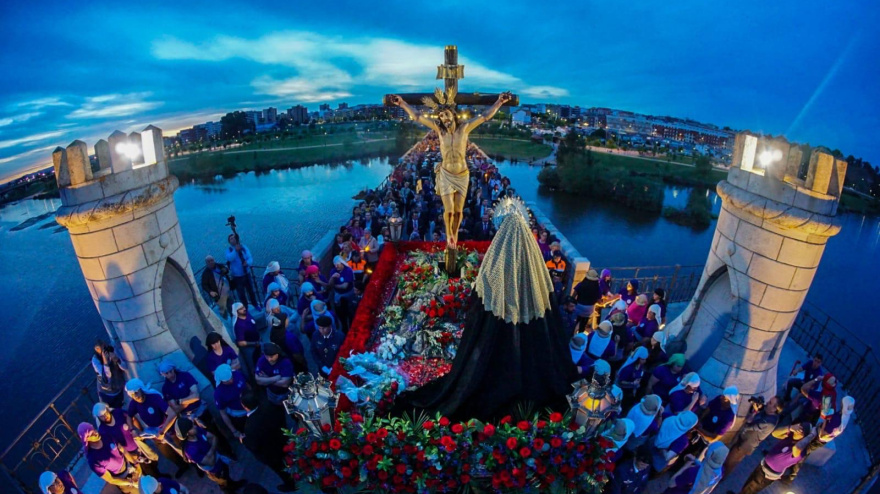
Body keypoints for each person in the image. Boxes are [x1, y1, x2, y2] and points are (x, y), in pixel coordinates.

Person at [158, 360, 233, 458]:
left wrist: (180, 401)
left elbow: (196, 395)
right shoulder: (166, 388)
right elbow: (175, 408)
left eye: (171, 371)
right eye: (166, 373)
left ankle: (228, 452)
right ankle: (213, 455)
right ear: (163, 374)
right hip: (188, 417)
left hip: (200, 410)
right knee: (198, 438)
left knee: (214, 431)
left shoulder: (185, 376)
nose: (170, 374)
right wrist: (189, 399)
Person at [124, 378, 190, 478]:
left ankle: (195, 465)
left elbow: (172, 414)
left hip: (168, 428)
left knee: (182, 448)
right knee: (168, 453)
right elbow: (129, 416)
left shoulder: (154, 397)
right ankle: (182, 466)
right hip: (154, 432)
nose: (136, 396)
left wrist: (163, 431)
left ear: (141, 389)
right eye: (133, 395)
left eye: (137, 393)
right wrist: (132, 429)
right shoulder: (134, 403)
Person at [783, 395, 855, 481]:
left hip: (817, 438)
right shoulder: (844, 417)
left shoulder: (837, 420)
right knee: (802, 452)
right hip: (821, 439)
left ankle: (791, 475)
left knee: (801, 453)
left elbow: (824, 433)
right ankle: (790, 469)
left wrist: (825, 420)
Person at [240, 391, 297, 492]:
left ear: (245, 406)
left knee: (281, 469)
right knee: (290, 457)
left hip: (271, 454)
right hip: (282, 440)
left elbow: (254, 445)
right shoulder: (269, 406)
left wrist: (243, 440)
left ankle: (291, 484)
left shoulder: (249, 426)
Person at [738, 422, 815, 494]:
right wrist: (790, 428)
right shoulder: (790, 435)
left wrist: (811, 436)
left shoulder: (801, 452)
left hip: (767, 474)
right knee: (748, 484)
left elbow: (797, 448)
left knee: (750, 490)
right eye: (799, 426)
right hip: (763, 465)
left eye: (801, 431)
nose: (798, 429)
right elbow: (775, 433)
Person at [175, 417, 246, 493]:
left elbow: (214, 437)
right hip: (214, 470)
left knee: (226, 475)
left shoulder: (196, 431)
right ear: (187, 434)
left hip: (218, 459)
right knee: (223, 483)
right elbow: (211, 461)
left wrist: (210, 452)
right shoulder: (191, 451)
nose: (194, 426)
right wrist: (213, 448)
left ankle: (233, 485)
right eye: (191, 427)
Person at [93, 402, 158, 477]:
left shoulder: (118, 413)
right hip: (131, 452)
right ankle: (156, 479)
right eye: (102, 416)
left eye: (105, 413)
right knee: (147, 468)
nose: (105, 417)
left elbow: (131, 418)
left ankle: (158, 474)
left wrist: (141, 431)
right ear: (99, 418)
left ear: (108, 410)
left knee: (153, 459)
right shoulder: (103, 430)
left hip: (139, 442)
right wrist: (128, 456)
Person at [723, 395, 782, 478]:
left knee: (729, 463)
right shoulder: (769, 414)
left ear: (775, 408)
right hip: (743, 440)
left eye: (770, 403)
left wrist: (754, 411)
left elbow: (749, 424)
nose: (767, 403)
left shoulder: (768, 422)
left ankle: (719, 480)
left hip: (744, 446)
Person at [78, 422, 141, 494]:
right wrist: (131, 483)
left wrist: (136, 464)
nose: (96, 433)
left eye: (94, 430)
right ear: (86, 439)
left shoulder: (106, 436)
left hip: (129, 466)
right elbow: (111, 479)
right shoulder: (93, 459)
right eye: (92, 434)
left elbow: (123, 450)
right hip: (122, 478)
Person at [213, 364, 249, 441]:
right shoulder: (219, 393)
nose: (231, 381)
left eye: (231, 377)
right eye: (227, 381)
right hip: (240, 417)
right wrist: (234, 431)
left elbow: (247, 385)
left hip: (251, 407)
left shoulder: (237, 374)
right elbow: (223, 413)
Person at [225, 233, 258, 309]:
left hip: (246, 273)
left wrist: (247, 263)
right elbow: (229, 258)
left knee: (251, 291)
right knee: (241, 293)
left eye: (234, 238)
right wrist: (235, 251)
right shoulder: (229, 250)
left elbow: (250, 258)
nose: (233, 239)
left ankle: (255, 304)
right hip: (237, 276)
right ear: (229, 241)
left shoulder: (244, 247)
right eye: (231, 238)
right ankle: (245, 308)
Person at [92, 340, 128, 408]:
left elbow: (125, 367)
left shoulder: (112, 351)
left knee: (121, 407)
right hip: (106, 392)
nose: (104, 351)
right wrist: (105, 361)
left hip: (118, 387)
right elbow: (107, 375)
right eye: (101, 350)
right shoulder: (95, 360)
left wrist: (116, 359)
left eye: (104, 348)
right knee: (109, 410)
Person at [232, 303, 260, 380]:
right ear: (236, 312)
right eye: (241, 309)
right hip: (249, 348)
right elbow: (241, 342)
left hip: (257, 343)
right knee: (253, 365)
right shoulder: (239, 325)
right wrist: (254, 344)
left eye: (243, 307)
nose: (244, 309)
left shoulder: (247, 314)